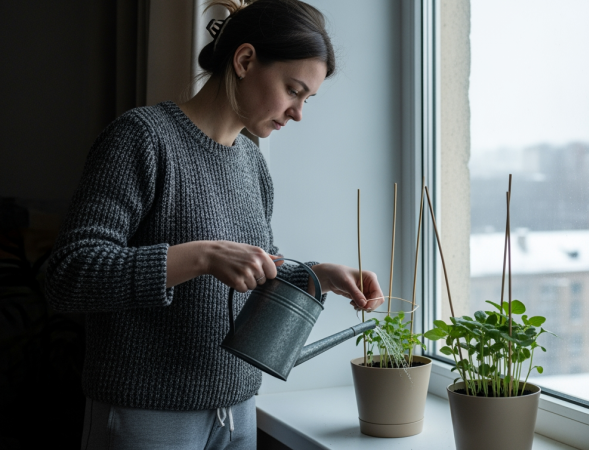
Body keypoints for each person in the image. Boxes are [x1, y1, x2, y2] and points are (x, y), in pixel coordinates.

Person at [44, 1, 384, 448]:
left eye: (307, 99)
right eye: (292, 90)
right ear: (245, 61)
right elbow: (70, 273)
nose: (298, 112)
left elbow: (251, 270)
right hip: (147, 414)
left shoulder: (252, 163)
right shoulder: (143, 139)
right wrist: (199, 257)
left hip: (237, 411)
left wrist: (313, 275)